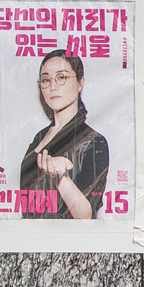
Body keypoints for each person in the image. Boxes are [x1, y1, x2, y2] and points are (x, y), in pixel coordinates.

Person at [19, 49, 109, 219]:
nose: (52, 87)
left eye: (61, 77)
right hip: (31, 234)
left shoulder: (94, 141)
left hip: (68, 236)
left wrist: (61, 178)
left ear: (80, 82)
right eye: (46, 80)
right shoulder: (39, 137)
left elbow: (86, 216)